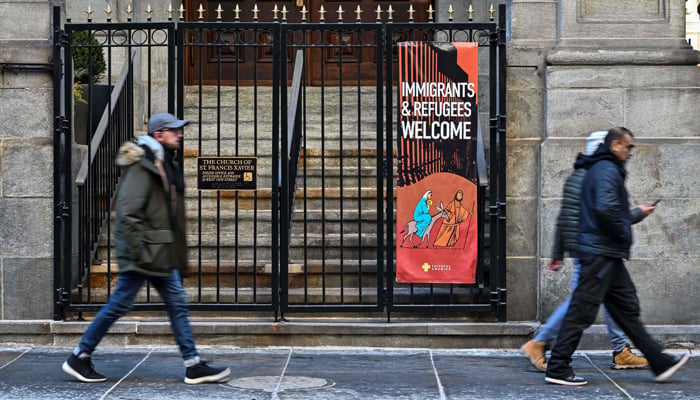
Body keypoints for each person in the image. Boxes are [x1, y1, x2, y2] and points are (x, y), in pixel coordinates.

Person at [62, 113, 231, 385]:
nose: (180, 134)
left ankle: (192, 364)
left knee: (173, 303)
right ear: (158, 134)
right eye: (173, 130)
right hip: (146, 253)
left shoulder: (162, 161)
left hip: (158, 251)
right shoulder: (143, 165)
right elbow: (128, 212)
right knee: (122, 304)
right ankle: (79, 356)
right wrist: (139, 252)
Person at [544, 127, 689, 386]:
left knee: (625, 309)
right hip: (600, 252)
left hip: (605, 253)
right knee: (581, 311)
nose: (631, 152)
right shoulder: (606, 169)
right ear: (614, 145)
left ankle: (659, 361)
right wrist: (623, 231)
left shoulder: (601, 168)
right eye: (628, 147)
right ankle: (557, 367)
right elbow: (604, 208)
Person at [521, 131, 648, 372]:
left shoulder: (579, 175)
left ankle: (620, 349)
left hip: (584, 247)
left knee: (603, 300)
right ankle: (540, 342)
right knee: (580, 303)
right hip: (591, 249)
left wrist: (558, 253)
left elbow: (563, 218)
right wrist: (638, 213)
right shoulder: (595, 175)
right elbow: (607, 216)